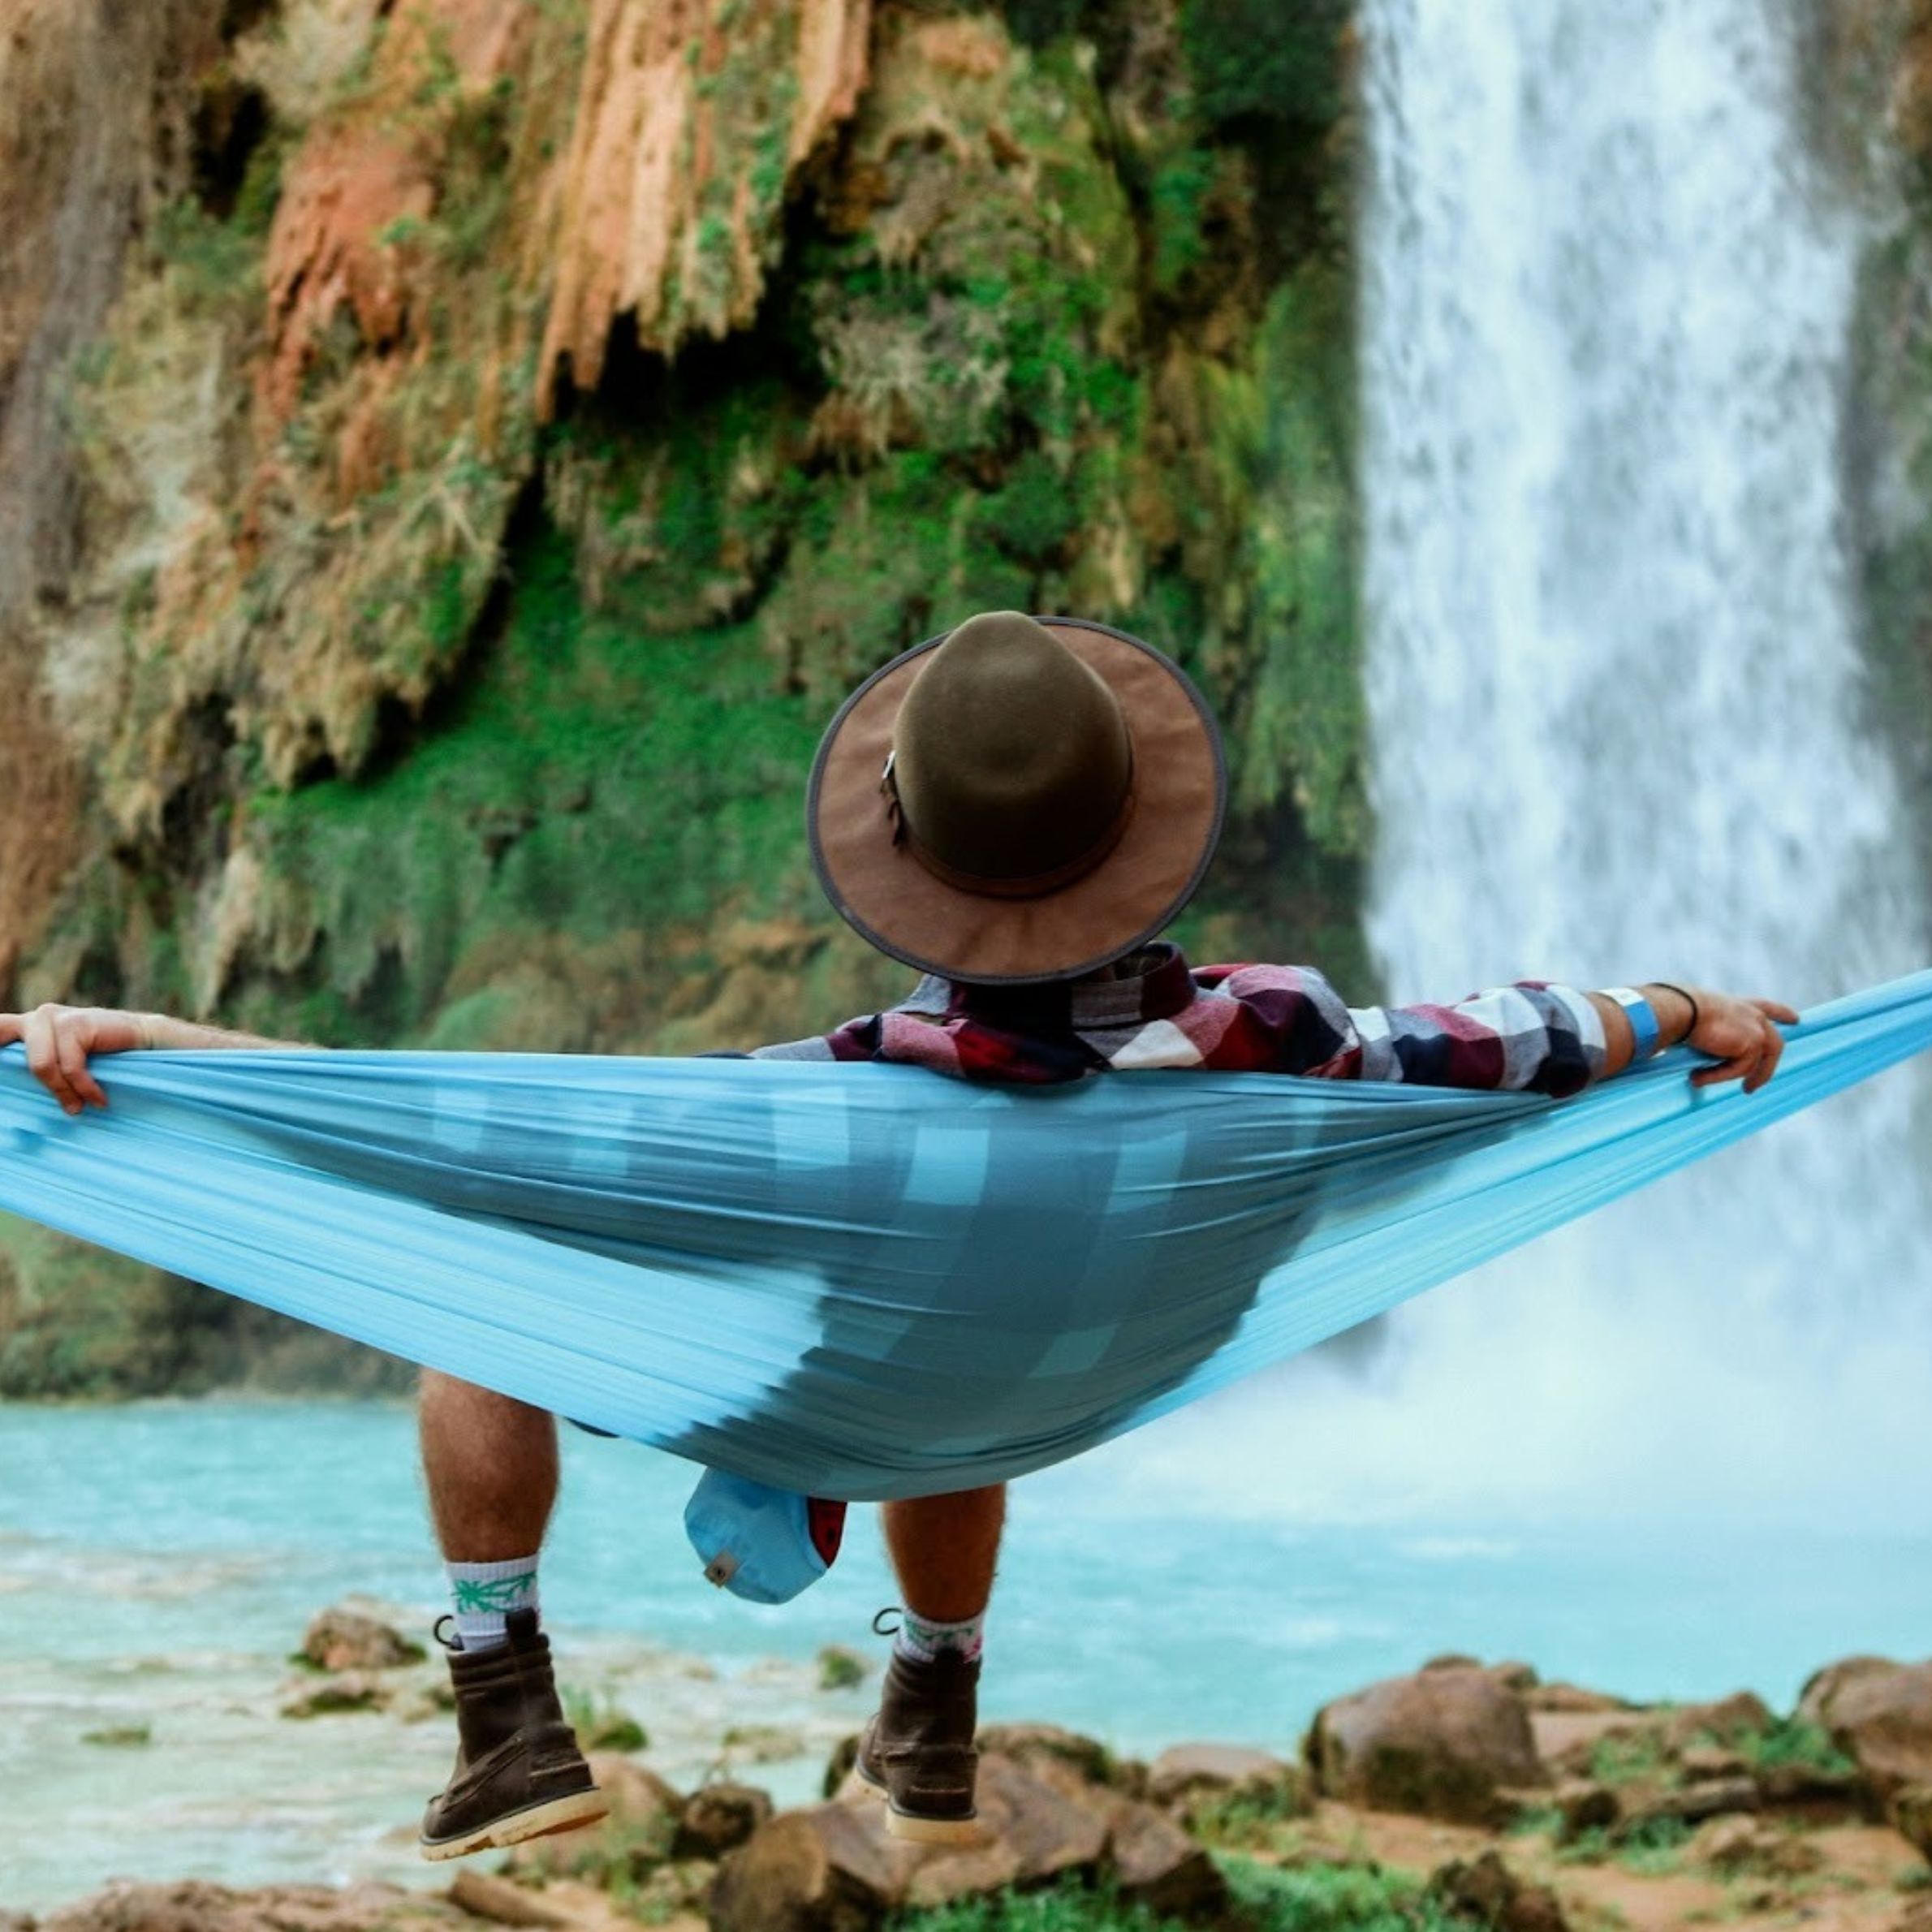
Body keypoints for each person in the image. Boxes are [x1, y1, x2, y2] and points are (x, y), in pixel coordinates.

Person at [0, 610, 1797, 1857]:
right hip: (1064, 1386)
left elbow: (444, 1139)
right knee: (971, 1364)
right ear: (1135, 842)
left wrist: (180, 1062)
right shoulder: (1292, 1038)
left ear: (912, 865)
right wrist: (1681, 998)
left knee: (480, 1299)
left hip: (869, 1374)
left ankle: (505, 1709)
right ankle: (928, 1701)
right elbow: (1512, 1038)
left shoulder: (825, 1106)